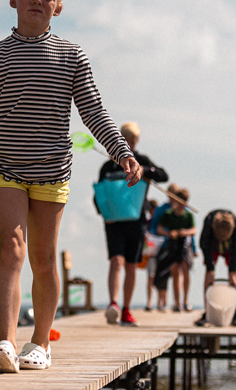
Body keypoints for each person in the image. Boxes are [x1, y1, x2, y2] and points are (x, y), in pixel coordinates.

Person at [0, 0, 141, 373]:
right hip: (4, 169)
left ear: (58, 7)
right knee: (11, 250)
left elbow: (93, 111)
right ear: (13, 0)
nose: (38, 1)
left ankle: (40, 343)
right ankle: (6, 343)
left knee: (43, 258)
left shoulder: (71, 55)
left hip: (52, 171)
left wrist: (122, 152)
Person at [97, 122, 168, 326]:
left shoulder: (142, 160)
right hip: (114, 221)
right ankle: (113, 304)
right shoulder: (108, 165)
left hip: (136, 220)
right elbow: (99, 194)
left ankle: (127, 309)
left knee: (131, 264)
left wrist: (145, 170)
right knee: (116, 261)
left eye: (134, 140)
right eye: (128, 139)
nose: (131, 143)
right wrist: (103, 212)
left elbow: (163, 175)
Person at [196, 209, 236, 326]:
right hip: (212, 247)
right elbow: (204, 244)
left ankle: (235, 313)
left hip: (230, 249)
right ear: (213, 226)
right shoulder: (208, 222)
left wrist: (232, 271)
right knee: (209, 275)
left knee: (234, 276)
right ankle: (207, 312)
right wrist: (210, 268)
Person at [153, 184, 195, 312]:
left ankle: (185, 301)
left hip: (185, 245)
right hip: (171, 245)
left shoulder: (188, 215)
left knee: (186, 270)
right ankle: (177, 303)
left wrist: (185, 234)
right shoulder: (167, 212)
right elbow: (158, 228)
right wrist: (169, 233)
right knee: (175, 272)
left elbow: (193, 230)